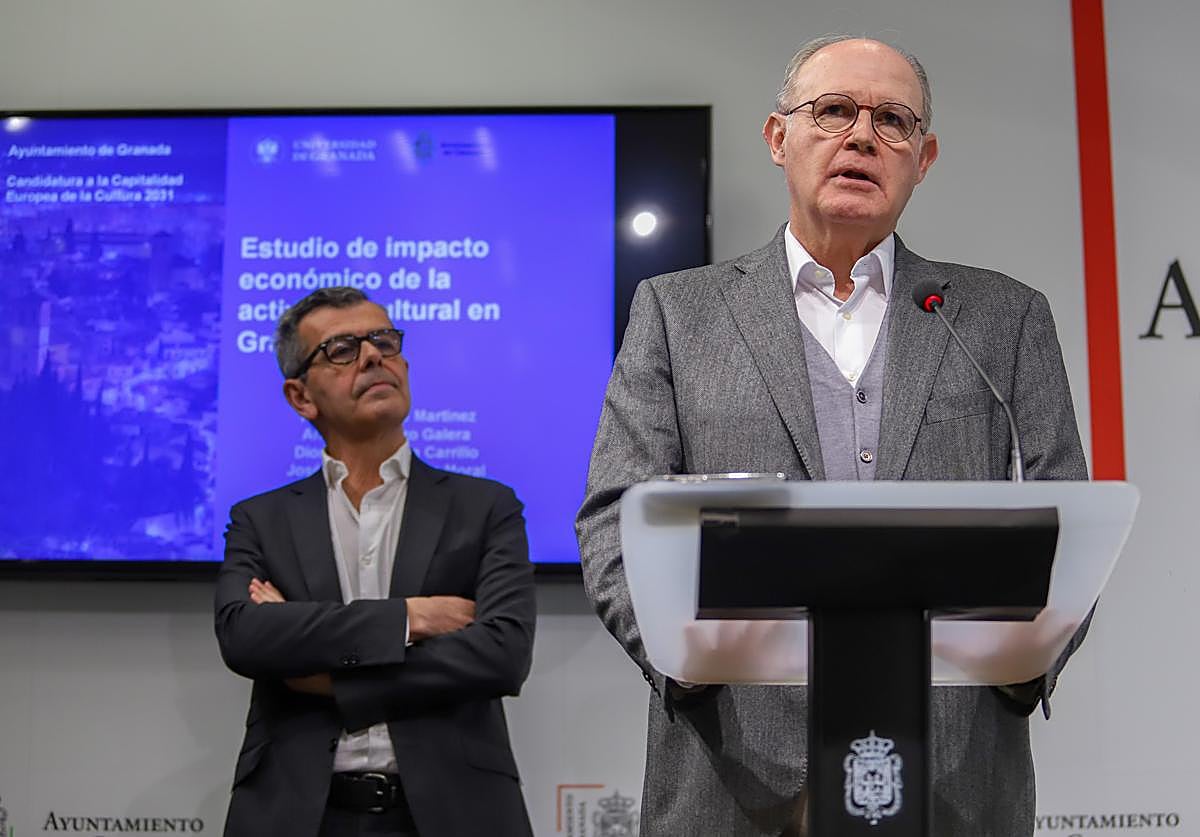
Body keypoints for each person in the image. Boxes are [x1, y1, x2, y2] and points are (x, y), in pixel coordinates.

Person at [576, 35, 1089, 837]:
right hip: (734, 770)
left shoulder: (1002, 318)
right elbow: (613, 514)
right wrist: (686, 663)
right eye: (834, 111)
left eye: (892, 120)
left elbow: (1070, 522)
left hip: (954, 766)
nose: (861, 136)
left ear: (924, 157)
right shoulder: (680, 312)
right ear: (779, 137)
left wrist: (1022, 670)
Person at [215, 287, 536, 837]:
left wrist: (331, 680)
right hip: (296, 814)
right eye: (342, 349)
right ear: (300, 396)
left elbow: (501, 655)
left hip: (454, 812)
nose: (372, 357)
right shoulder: (261, 520)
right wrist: (410, 618)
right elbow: (246, 638)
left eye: (384, 340)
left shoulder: (485, 507)